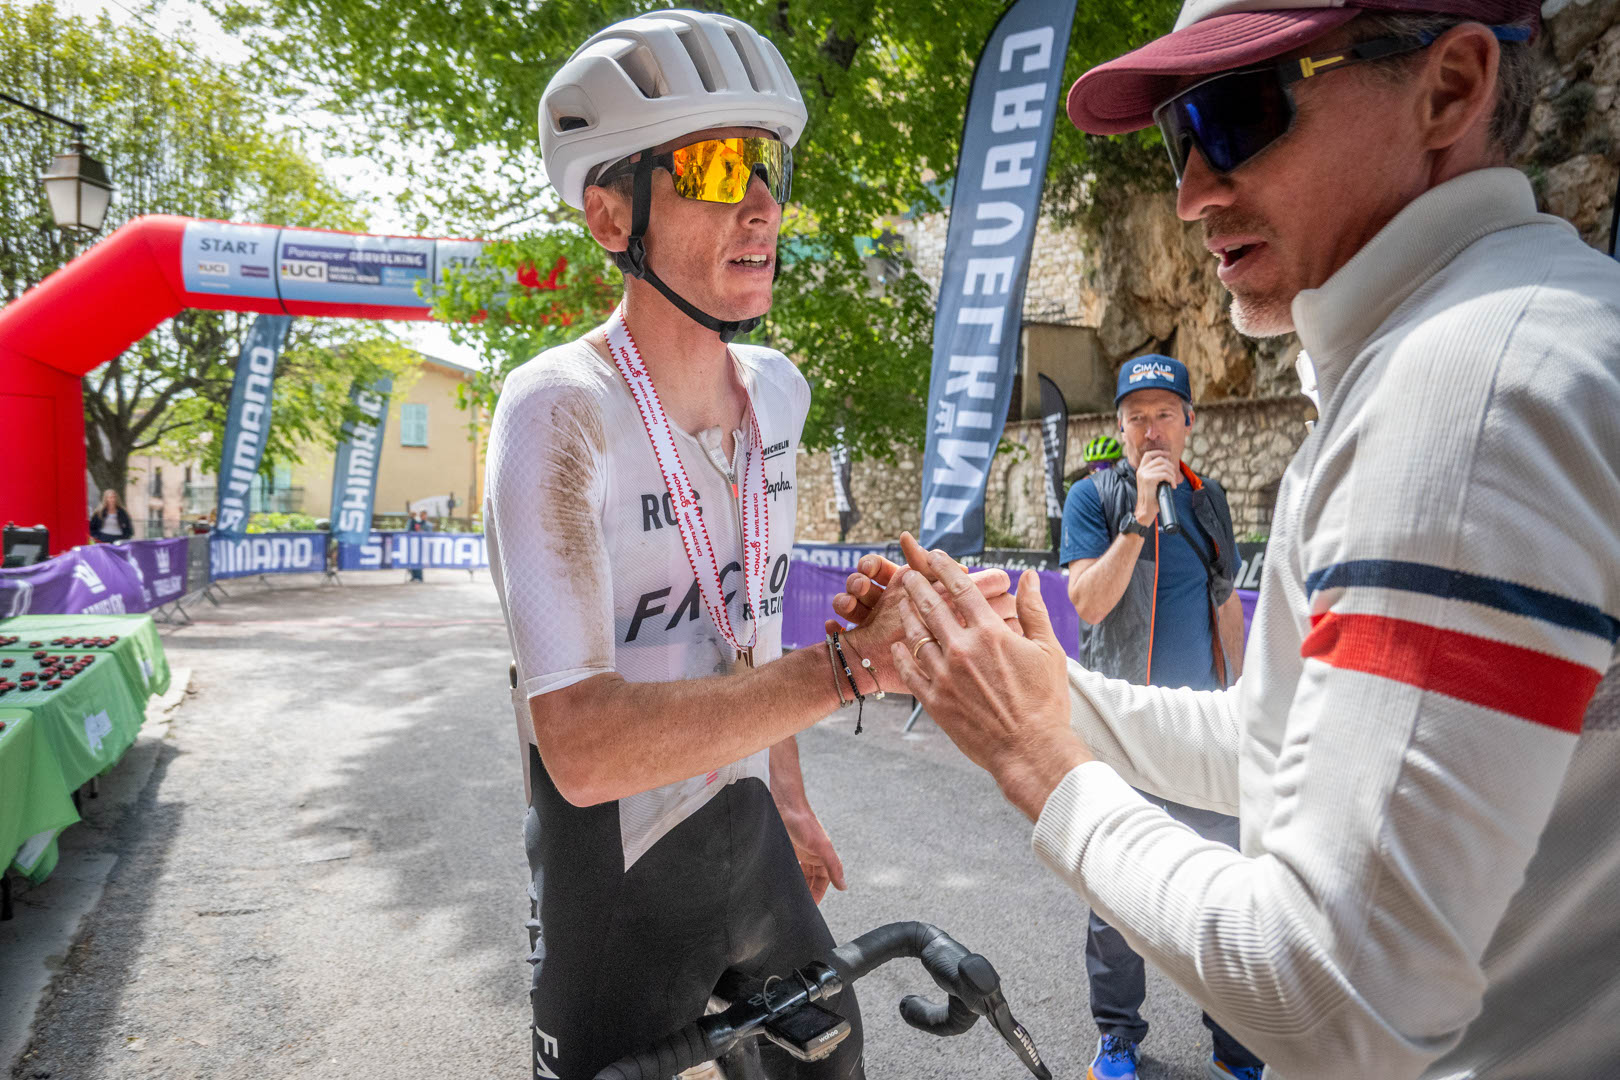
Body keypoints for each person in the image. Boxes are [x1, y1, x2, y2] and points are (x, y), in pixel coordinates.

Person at [842, 0, 1620, 1075]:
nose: (1193, 188)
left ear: (1449, 88)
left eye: (1238, 111)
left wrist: (1033, 754)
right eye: (1179, 133)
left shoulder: (1459, 390)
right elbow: (1278, 747)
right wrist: (1025, 690)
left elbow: (1333, 997)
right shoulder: (1503, 338)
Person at [485, 12, 1012, 1077]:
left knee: (834, 1062)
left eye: (765, 166)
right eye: (716, 168)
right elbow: (581, 748)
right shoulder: (558, 410)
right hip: (616, 868)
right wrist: (847, 669)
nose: (763, 204)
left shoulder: (777, 392)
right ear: (609, 215)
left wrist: (792, 795)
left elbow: (750, 628)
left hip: (749, 831)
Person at [1060, 354, 1258, 1080]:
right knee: (1116, 895)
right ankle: (1117, 1037)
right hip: (1123, 731)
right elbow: (1087, 603)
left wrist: (1246, 697)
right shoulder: (1094, 498)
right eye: (1136, 417)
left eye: (1164, 414)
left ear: (1188, 423)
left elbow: (1224, 600)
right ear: (1119, 428)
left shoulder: (1209, 501)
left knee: (1229, 890)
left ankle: (1237, 1045)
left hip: (1204, 730)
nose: (1151, 430)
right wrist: (1140, 518)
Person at [406, 509, 430, 583]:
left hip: (421, 545)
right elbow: (409, 529)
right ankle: (414, 576)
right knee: (413, 561)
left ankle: (419, 577)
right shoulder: (415, 522)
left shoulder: (426, 524)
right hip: (414, 544)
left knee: (419, 561)